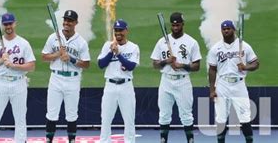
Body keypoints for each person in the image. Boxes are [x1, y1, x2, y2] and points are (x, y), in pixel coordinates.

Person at [0, 13, 36, 143]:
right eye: (6, 24)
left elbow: (32, 66)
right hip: (1, 83)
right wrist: (1, 60)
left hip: (19, 83)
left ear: (15, 23)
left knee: (20, 117)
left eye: (10, 23)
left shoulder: (23, 43)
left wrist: (13, 65)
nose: (8, 26)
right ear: (2, 25)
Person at [150, 12, 201, 143]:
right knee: (164, 114)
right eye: (173, 25)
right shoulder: (162, 41)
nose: (175, 27)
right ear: (170, 25)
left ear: (183, 24)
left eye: (178, 25)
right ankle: (163, 140)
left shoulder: (191, 42)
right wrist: (166, 61)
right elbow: (155, 64)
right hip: (166, 81)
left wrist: (182, 65)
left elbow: (197, 66)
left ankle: (190, 140)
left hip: (183, 81)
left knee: (186, 115)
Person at [42, 10, 90, 143]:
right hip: (56, 78)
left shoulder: (81, 42)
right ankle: (48, 139)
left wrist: (71, 59)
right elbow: (44, 57)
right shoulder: (53, 38)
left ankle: (72, 140)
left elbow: (86, 64)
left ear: (76, 23)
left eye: (70, 20)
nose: (67, 23)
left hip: (73, 80)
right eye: (65, 20)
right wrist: (57, 54)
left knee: (72, 114)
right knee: (52, 113)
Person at [208, 20, 259, 143]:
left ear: (233, 30)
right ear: (221, 31)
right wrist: (212, 89)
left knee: (245, 117)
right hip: (222, 84)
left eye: (228, 28)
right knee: (220, 118)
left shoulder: (244, 46)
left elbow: (256, 63)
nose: (226, 31)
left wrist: (245, 67)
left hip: (239, 85)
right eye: (224, 29)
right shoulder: (216, 48)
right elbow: (212, 69)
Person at [98, 19, 140, 143]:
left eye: (121, 30)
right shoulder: (108, 45)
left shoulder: (133, 47)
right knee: (105, 119)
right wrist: (111, 52)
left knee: (129, 120)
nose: (118, 33)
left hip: (126, 86)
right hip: (110, 86)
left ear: (126, 31)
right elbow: (101, 64)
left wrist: (119, 54)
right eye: (116, 30)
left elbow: (131, 66)